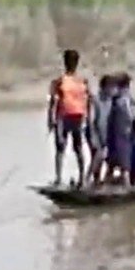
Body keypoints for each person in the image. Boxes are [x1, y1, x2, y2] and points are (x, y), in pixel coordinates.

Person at [47, 49, 89, 186]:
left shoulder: (80, 80)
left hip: (71, 116)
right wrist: (51, 118)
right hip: (68, 116)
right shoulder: (63, 81)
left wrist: (50, 119)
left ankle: (77, 178)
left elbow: (88, 99)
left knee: (71, 148)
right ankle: (62, 178)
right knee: (66, 148)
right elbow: (53, 100)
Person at [105, 73, 135, 184]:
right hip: (123, 135)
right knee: (124, 167)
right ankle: (126, 188)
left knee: (113, 165)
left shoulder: (118, 100)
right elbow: (132, 117)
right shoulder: (125, 100)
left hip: (117, 135)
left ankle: (106, 185)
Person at [86, 74, 116, 186]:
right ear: (105, 87)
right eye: (112, 87)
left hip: (105, 133)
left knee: (103, 157)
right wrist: (93, 136)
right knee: (97, 156)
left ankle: (97, 181)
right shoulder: (96, 100)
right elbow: (91, 119)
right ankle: (87, 179)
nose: (114, 90)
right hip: (94, 132)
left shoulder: (112, 100)